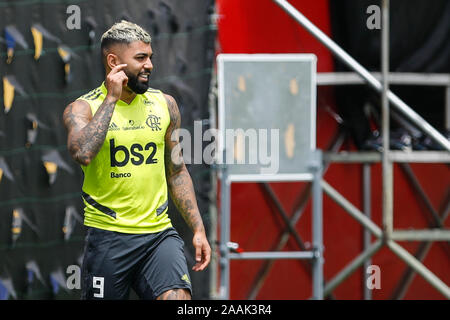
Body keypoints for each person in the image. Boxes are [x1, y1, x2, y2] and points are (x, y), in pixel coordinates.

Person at [62, 20, 211, 300]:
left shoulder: (165, 104)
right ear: (113, 62)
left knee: (178, 298)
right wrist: (111, 100)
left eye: (150, 57)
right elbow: (82, 153)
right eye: (140, 58)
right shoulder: (83, 108)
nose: (150, 65)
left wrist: (198, 229)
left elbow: (177, 171)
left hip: (158, 235)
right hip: (108, 239)